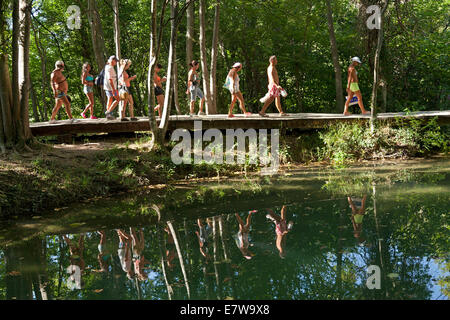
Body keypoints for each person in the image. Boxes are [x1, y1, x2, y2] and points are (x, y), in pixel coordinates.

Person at [104, 55, 120, 120]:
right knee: (118, 99)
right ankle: (108, 112)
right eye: (115, 61)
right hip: (111, 88)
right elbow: (110, 79)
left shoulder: (109, 67)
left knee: (110, 99)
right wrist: (114, 89)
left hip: (110, 87)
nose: (116, 62)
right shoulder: (109, 68)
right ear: (112, 60)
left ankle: (108, 115)